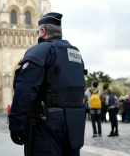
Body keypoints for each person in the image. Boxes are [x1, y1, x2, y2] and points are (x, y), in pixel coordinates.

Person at [9, 12, 86, 155]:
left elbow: (25, 89)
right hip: (74, 122)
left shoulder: (40, 51)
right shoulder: (76, 54)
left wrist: (15, 123)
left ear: (42, 31)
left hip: (47, 124)